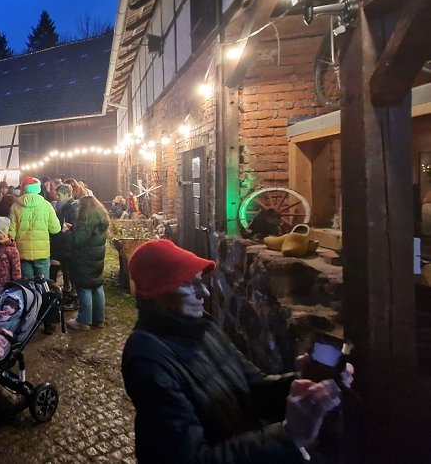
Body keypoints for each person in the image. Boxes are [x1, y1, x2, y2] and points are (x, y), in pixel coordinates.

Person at [122, 239, 345, 463]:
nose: (205, 293)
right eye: (187, 284)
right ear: (156, 293)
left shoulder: (201, 327)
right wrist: (288, 436)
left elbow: (252, 387)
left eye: (200, 281)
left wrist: (304, 381)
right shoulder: (147, 357)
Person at [9, 176, 61, 333]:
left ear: (24, 188)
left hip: (23, 253)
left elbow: (11, 232)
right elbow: (56, 229)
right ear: (38, 189)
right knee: (44, 286)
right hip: (42, 253)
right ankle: (48, 322)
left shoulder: (15, 206)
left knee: (28, 288)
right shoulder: (45, 205)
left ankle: (30, 322)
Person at [63, 196, 109, 331]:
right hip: (96, 260)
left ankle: (84, 321)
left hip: (84, 261)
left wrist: (66, 233)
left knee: (84, 288)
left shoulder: (85, 222)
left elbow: (78, 241)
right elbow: (88, 236)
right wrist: (74, 229)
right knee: (97, 287)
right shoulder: (101, 221)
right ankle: (99, 319)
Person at [51, 184, 80, 309]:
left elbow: (74, 226)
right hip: (64, 244)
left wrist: (67, 230)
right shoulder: (64, 206)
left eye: (60, 195)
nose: (58, 198)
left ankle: (73, 297)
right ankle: (68, 292)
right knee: (66, 270)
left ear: (68, 194)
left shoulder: (73, 208)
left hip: (69, 244)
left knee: (70, 270)